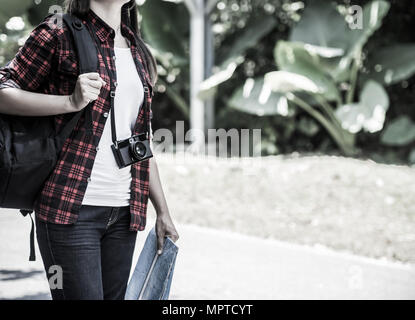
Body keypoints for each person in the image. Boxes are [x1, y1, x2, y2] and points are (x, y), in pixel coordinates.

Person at [0, 0, 179, 300]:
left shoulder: (135, 47)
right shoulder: (58, 31)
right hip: (69, 211)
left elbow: (140, 139)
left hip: (125, 212)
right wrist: (69, 102)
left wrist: (162, 211)